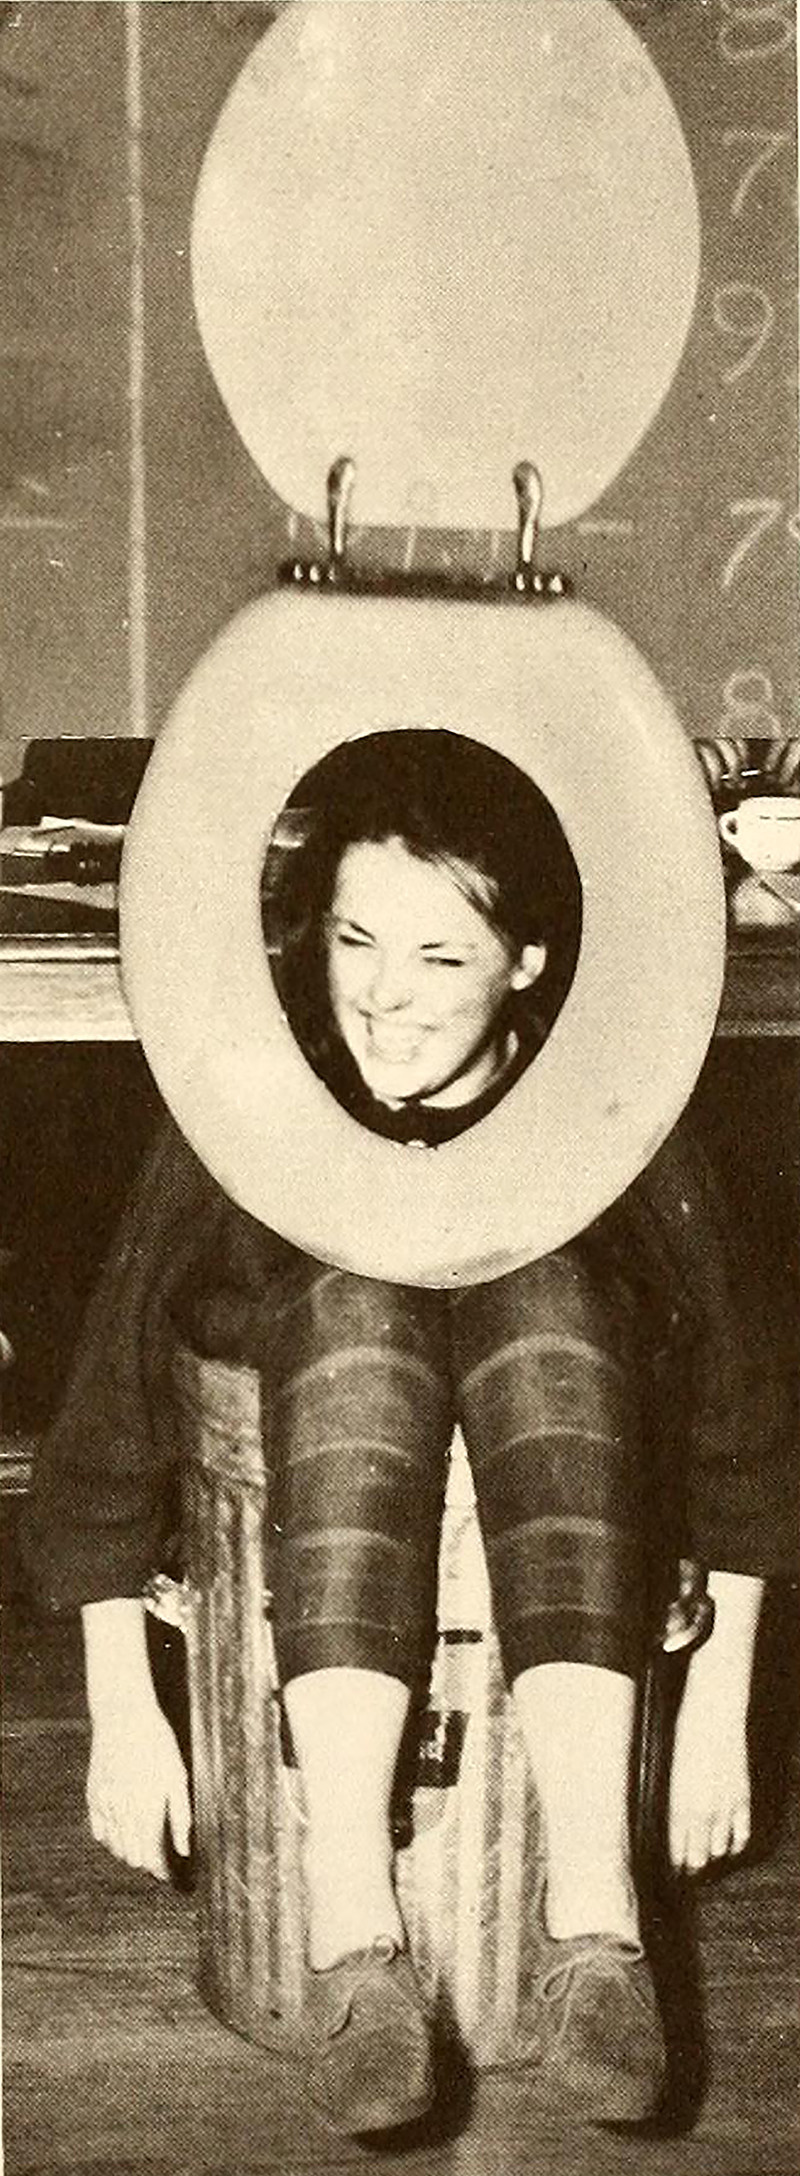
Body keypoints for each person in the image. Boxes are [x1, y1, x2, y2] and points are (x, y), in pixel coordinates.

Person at [24, 729, 785, 2138]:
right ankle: (352, 1935)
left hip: (567, 1472)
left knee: (547, 1294)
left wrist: (718, 1714)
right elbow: (106, 1426)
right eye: (356, 940)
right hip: (326, 1409)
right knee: (363, 1305)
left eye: (441, 956)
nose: (384, 995)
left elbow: (747, 1430)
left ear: (529, 963)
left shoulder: (612, 1109)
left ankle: (596, 1928)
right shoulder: (252, 1107)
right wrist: (125, 1709)